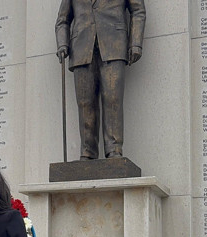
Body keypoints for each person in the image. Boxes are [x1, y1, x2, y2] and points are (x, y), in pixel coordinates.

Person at [55, 0, 146, 160]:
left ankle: (114, 150)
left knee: (113, 99)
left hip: (114, 45)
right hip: (81, 48)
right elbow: (62, 20)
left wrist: (136, 43)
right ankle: (88, 152)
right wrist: (63, 43)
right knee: (85, 103)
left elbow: (138, 10)